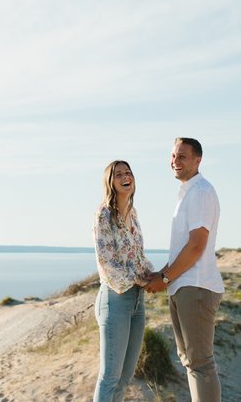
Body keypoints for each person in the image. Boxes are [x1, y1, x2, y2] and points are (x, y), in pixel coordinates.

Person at [145, 137, 224, 402]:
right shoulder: (188, 192)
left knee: (200, 363)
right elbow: (183, 248)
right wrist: (161, 275)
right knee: (191, 361)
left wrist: (166, 277)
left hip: (196, 286)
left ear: (197, 160)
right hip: (184, 285)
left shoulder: (200, 192)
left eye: (182, 156)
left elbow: (196, 245)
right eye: (172, 156)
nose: (175, 161)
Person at [93, 160, 154, 402]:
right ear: (110, 182)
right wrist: (141, 280)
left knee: (125, 377)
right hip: (115, 300)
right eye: (119, 174)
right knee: (109, 377)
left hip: (137, 302)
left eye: (128, 172)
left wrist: (154, 275)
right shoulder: (104, 214)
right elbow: (106, 261)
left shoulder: (133, 213)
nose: (125, 176)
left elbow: (138, 257)